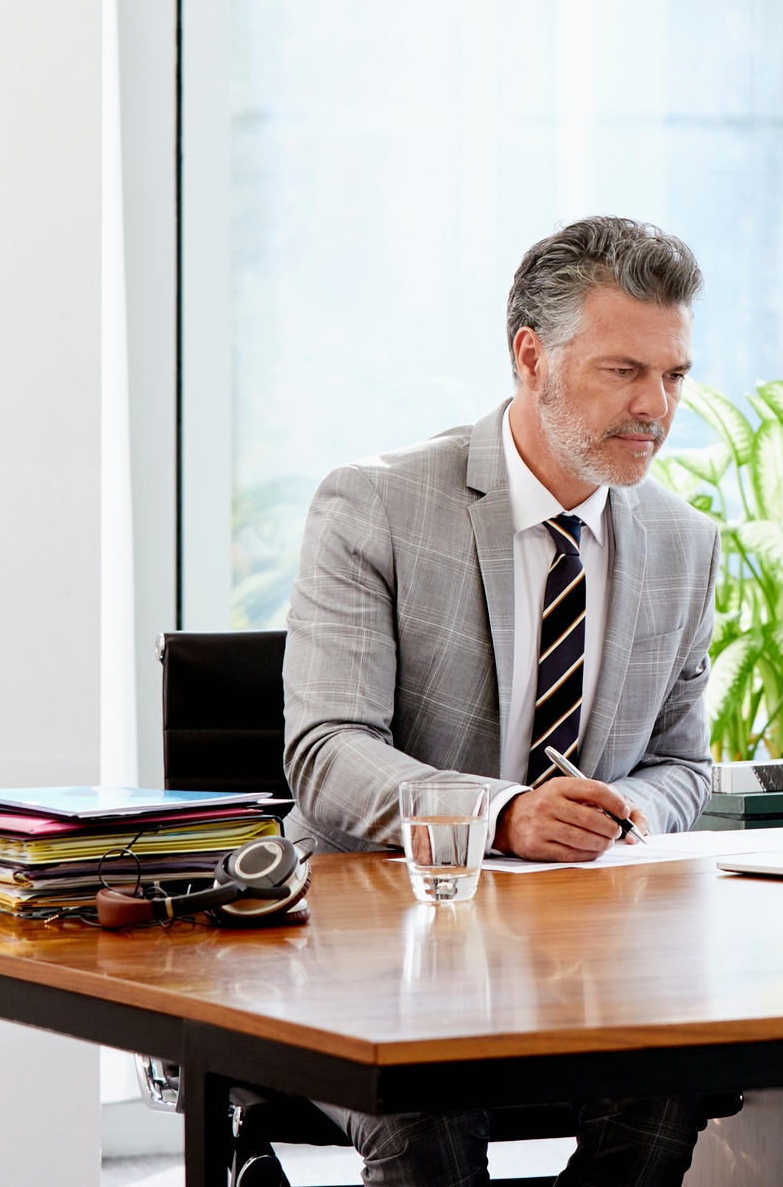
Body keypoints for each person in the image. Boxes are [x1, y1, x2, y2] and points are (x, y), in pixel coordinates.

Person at [283, 216, 725, 1187]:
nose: (655, 406)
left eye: (674, 375)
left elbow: (682, 762)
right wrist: (502, 814)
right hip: (384, 937)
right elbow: (326, 748)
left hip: (586, 946)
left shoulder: (681, 542)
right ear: (531, 355)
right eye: (623, 371)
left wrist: (631, 812)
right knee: (428, 1113)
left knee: (676, 1082)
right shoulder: (378, 505)